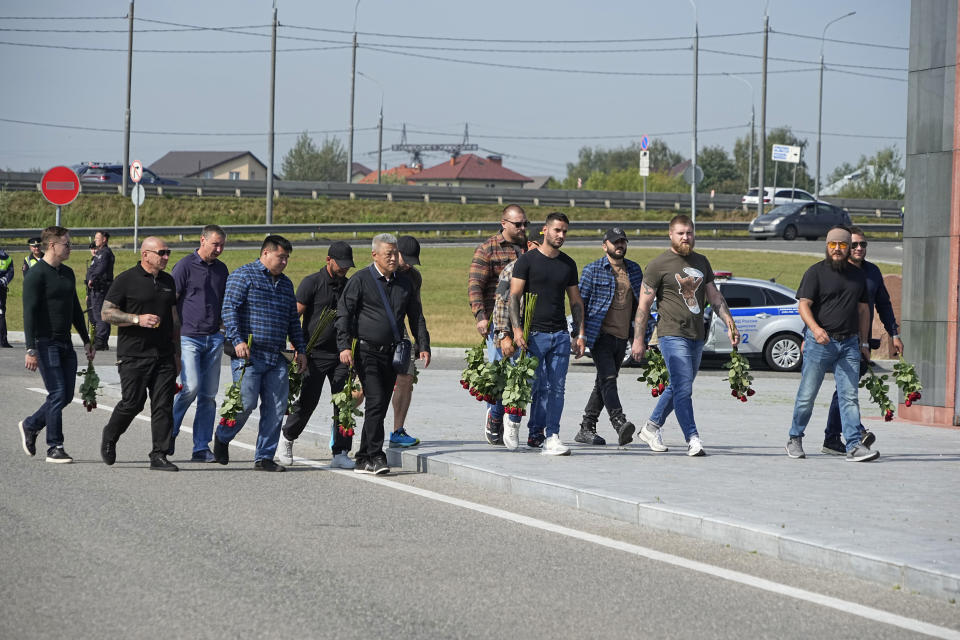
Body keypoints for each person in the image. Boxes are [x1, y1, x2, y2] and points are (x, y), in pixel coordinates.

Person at [630, 214, 740, 457]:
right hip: (671, 333)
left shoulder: (702, 261)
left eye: (689, 232)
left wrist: (730, 323)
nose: (685, 237)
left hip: (696, 335)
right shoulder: (658, 265)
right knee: (683, 388)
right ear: (670, 235)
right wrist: (639, 339)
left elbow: (715, 298)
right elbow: (643, 306)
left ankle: (651, 427)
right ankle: (692, 438)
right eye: (680, 233)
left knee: (680, 386)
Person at [336, 233, 430, 475]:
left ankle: (363, 457)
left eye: (395, 253)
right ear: (374, 255)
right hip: (366, 351)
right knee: (376, 400)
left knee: (379, 404)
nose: (393, 258)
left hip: (393, 353)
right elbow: (344, 314)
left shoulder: (404, 282)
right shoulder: (360, 280)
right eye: (388, 254)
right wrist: (344, 346)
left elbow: (416, 315)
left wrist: (423, 344)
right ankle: (376, 455)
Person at [786, 226, 878, 462]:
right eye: (832, 245)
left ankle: (854, 446)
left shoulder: (858, 276)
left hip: (849, 344)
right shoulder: (815, 272)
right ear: (827, 246)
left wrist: (864, 342)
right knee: (807, 395)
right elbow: (803, 305)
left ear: (849, 248)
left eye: (842, 245)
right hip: (820, 343)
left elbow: (864, 309)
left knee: (849, 397)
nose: (837, 249)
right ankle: (795, 438)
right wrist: (815, 330)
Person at [215, 235, 306, 472]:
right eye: (281, 257)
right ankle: (223, 436)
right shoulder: (243, 275)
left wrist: (301, 349)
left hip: (277, 356)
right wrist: (237, 340)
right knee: (245, 403)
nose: (285, 262)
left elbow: (292, 320)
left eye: (287, 258)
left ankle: (264, 456)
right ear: (266, 253)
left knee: (276, 408)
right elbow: (229, 309)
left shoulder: (286, 284)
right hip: (249, 356)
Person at [99, 237, 181, 471]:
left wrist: (177, 354)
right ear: (145, 255)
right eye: (161, 252)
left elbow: (174, 319)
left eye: (168, 252)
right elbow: (107, 314)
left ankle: (159, 455)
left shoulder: (168, 281)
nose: (166, 257)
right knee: (133, 403)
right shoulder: (126, 280)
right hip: (134, 354)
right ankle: (110, 435)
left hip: (164, 354)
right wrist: (137, 319)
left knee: (163, 404)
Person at [821, 226, 903, 455]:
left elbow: (884, 305)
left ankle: (833, 437)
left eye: (863, 244)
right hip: (834, 339)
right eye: (854, 244)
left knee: (845, 389)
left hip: (860, 342)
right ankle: (851, 432)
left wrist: (894, 334)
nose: (859, 248)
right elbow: (817, 304)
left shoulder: (872, 272)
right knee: (844, 389)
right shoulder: (834, 271)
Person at [509, 212, 585, 456]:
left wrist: (578, 333)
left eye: (564, 231)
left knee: (557, 388)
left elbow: (575, 301)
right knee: (528, 384)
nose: (561, 235)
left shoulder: (568, 264)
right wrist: (517, 329)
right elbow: (514, 297)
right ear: (545, 230)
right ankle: (513, 421)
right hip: (533, 334)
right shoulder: (527, 261)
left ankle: (551, 436)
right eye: (557, 230)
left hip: (560, 334)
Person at [18, 226, 94, 463]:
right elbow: (28, 313)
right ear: (52, 245)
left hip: (65, 343)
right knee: (58, 393)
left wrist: (86, 339)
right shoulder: (36, 274)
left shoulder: (68, 273)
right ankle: (55, 446)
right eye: (67, 244)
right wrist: (30, 348)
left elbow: (74, 310)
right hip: (45, 342)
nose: (70, 248)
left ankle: (31, 425)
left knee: (66, 395)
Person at [278, 241, 356, 469]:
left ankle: (340, 451)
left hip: (341, 354)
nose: (344, 269)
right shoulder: (312, 283)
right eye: (340, 265)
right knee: (308, 402)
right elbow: (294, 316)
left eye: (347, 266)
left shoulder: (349, 286)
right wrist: (293, 348)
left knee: (344, 403)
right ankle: (287, 438)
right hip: (313, 354)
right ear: (328, 260)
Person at [576, 227, 645, 446]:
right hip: (600, 335)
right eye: (615, 242)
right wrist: (579, 335)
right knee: (608, 379)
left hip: (622, 337)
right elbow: (580, 304)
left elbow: (641, 306)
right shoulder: (592, 270)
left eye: (623, 241)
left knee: (602, 382)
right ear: (604, 245)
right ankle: (619, 421)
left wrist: (642, 336)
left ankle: (586, 427)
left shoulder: (634, 270)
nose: (620, 246)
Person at [467, 204, 530, 445]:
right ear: (504, 223)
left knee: (521, 374)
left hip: (526, 320)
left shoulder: (529, 248)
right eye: (518, 224)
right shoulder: (487, 249)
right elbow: (475, 286)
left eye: (525, 223)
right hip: (499, 320)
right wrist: (481, 316)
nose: (523, 228)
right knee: (499, 372)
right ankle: (494, 415)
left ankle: (511, 419)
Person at [169, 225, 229, 462]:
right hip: (188, 337)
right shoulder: (184, 266)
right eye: (215, 244)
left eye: (222, 245)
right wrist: (174, 334)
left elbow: (225, 302)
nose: (219, 249)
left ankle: (201, 447)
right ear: (202, 240)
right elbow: (170, 301)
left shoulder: (222, 269)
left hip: (214, 338)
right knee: (190, 387)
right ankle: (169, 431)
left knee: (208, 395)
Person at [389, 235, 430, 448]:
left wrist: (423, 344)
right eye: (408, 260)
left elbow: (416, 313)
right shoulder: (375, 272)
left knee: (406, 378)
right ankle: (342, 425)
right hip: (371, 333)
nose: (409, 266)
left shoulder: (413, 277)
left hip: (399, 333)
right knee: (363, 389)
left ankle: (398, 431)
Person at [85, 230, 115, 351]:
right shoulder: (99, 253)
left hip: (101, 287)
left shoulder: (105, 253)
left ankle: (101, 340)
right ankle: (101, 340)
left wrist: (92, 278)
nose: (95, 240)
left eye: (97, 238)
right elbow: (93, 268)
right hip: (95, 288)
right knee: (97, 313)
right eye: (95, 237)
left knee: (100, 314)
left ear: (104, 239)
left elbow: (100, 269)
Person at [0, 246, 13, 347]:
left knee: (1, 313)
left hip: (1, 288)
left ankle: (3, 340)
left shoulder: (5, 257)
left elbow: (10, 271)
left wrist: (3, 281)